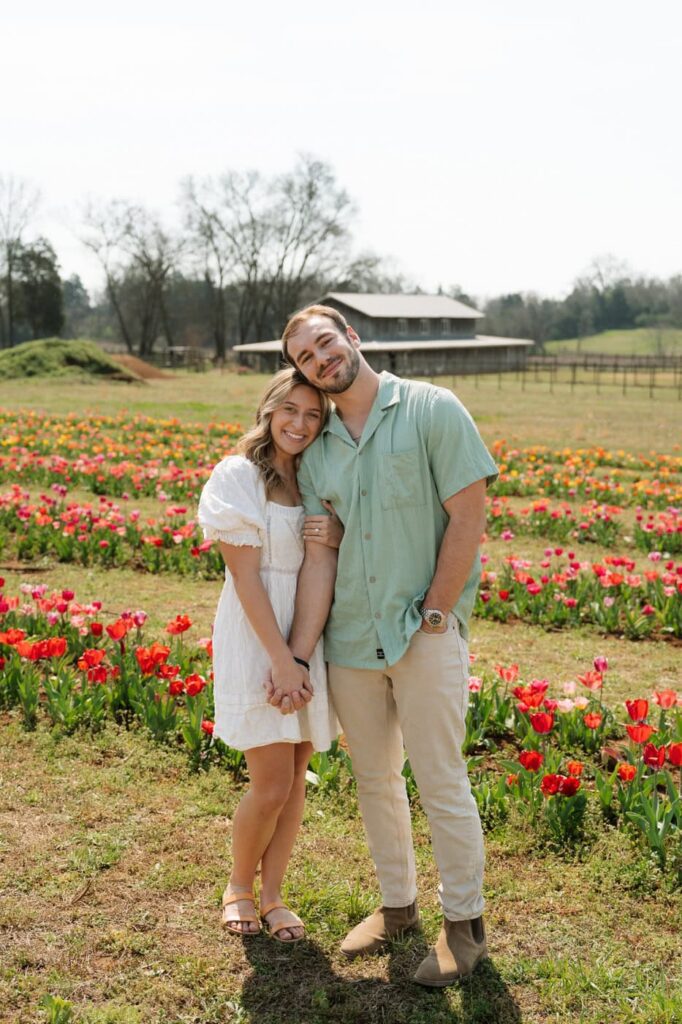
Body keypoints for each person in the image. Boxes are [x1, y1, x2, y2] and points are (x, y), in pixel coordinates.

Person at [266, 304, 498, 986]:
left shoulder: (432, 409)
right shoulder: (320, 448)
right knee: (374, 779)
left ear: (352, 338)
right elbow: (321, 556)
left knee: (441, 779)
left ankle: (466, 926)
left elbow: (468, 514)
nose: (321, 361)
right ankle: (398, 907)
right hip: (351, 639)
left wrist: (436, 614)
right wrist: (302, 651)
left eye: (326, 344)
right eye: (306, 359)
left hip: (422, 633)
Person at [197, 367, 341, 943]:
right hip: (257, 631)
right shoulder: (238, 475)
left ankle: (275, 893)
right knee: (272, 780)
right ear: (269, 409)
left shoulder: (317, 478)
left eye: (313, 415)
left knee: (298, 772)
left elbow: (321, 565)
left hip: (308, 632)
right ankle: (238, 886)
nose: (300, 424)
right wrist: (281, 660)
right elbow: (247, 579)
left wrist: (302, 657)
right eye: (291, 411)